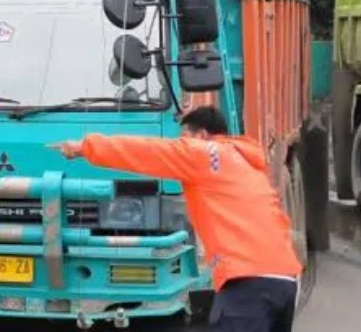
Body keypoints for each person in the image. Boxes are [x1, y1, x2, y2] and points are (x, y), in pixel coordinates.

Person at [49, 106, 301, 332]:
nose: (181, 144)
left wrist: (85, 147)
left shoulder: (204, 153)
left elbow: (147, 151)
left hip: (247, 282)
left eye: (184, 138)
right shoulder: (246, 164)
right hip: (284, 280)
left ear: (201, 136)